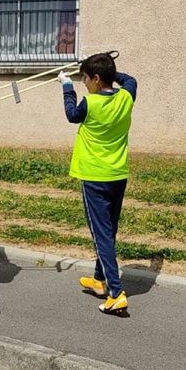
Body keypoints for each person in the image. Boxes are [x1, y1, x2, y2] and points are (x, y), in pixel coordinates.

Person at [59, 52, 136, 315]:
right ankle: (100, 280)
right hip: (118, 174)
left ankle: (116, 293)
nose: (83, 83)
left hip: (94, 176)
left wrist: (66, 87)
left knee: (100, 233)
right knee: (109, 229)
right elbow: (130, 80)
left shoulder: (89, 104)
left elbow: (71, 114)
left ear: (96, 78)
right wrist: (110, 70)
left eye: (85, 79)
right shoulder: (126, 96)